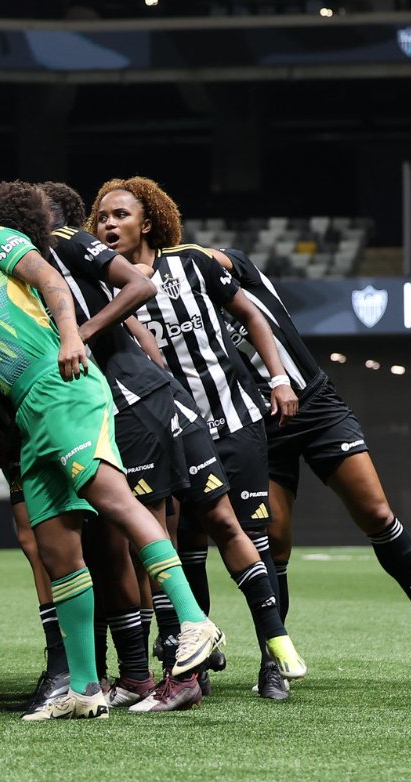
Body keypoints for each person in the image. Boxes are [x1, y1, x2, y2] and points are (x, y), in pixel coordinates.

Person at [0, 181, 223, 721]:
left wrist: (73, 337)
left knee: (118, 503)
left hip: (63, 387)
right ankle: (83, 687)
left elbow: (52, 280)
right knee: (56, 548)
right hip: (30, 412)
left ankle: (194, 623)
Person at [91, 175, 305, 699]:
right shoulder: (101, 283)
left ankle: (272, 659)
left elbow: (251, 313)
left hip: (233, 418)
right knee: (183, 547)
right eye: (102, 217)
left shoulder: (194, 262)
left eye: (121, 215)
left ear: (148, 220)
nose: (110, 224)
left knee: (255, 537)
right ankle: (192, 664)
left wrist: (278, 377)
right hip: (171, 429)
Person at [216, 246, 411, 665]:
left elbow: (214, 260)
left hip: (313, 404)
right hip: (261, 425)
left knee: (376, 513)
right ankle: (274, 658)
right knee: (274, 543)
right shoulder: (171, 300)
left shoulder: (228, 266)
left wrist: (176, 256)